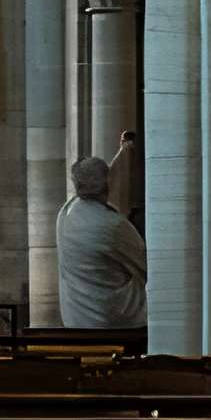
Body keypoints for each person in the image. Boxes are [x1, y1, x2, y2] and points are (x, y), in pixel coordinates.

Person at [55, 128, 148, 332]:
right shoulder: (111, 225)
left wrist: (126, 150)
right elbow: (147, 265)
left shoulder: (67, 212)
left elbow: (109, 179)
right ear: (107, 184)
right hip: (110, 318)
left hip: (77, 317)